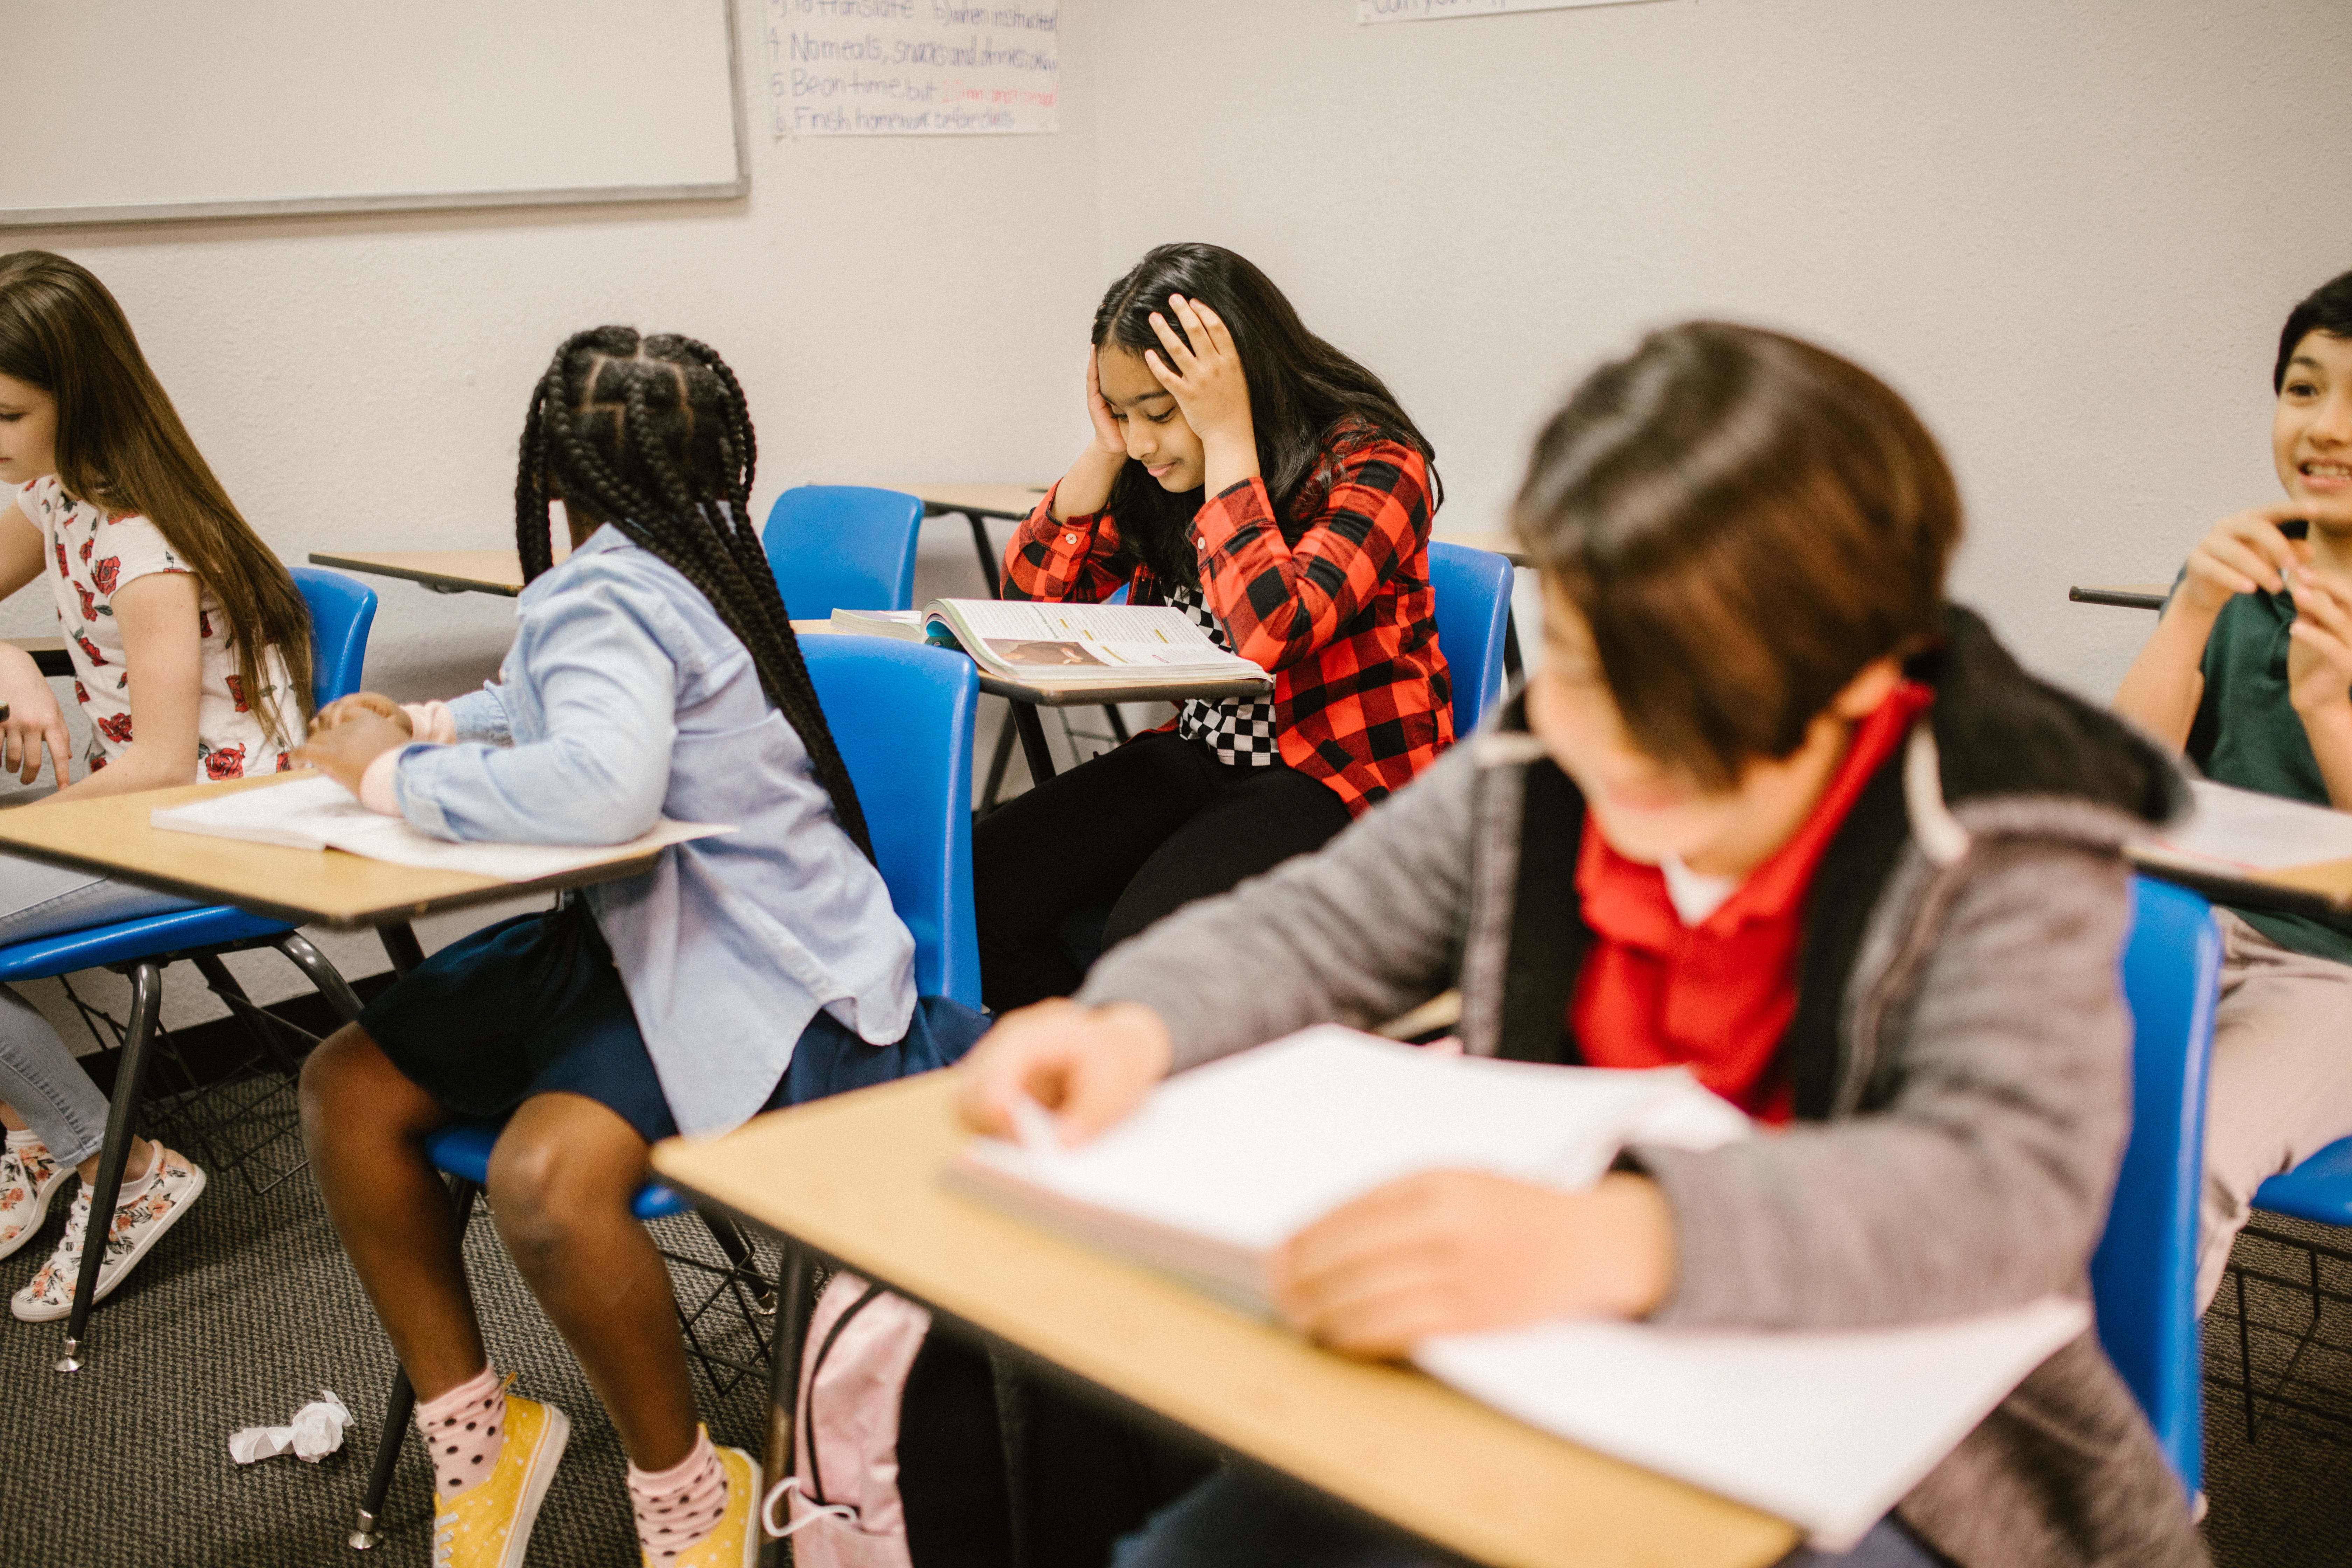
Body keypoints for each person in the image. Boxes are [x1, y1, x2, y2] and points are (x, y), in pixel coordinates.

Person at [958, 322, 2206, 1568]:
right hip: (1545, 1357)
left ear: (1865, 675)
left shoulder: (2003, 826)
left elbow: (2004, 1191)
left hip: (1894, 1440)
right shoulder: (1547, 762)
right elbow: (1322, 923)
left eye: (1691, 695)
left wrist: (1623, 1237)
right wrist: (1135, 1021)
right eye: (1588, 666)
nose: (1615, 743)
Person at [296, 328, 989, 1568]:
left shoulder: (608, 584)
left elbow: (607, 787)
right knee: (347, 1085)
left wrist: (392, 773)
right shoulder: (676, 563)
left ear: (553, 482)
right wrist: (442, 719)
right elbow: (567, 702)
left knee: (543, 1181)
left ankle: (687, 1488)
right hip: (641, 932)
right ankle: (485, 1433)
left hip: (756, 965)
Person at [974, 242, 1453, 1012]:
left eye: (1160, 414)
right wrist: (1105, 448)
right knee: (978, 885)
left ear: (1235, 384)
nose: (1142, 442)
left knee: (1149, 947)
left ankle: (1139, 1056)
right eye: (1121, 413)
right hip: (1205, 750)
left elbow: (1273, 630)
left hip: (1334, 773)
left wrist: (1230, 439)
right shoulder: (1153, 466)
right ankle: (1090, 1059)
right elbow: (1026, 598)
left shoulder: (1372, 463)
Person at [0, 250, 316, 1322]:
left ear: (75, 401)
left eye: (6, 412)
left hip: (220, 828)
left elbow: (161, 765)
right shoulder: (54, 497)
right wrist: (11, 662)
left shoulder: (146, 548)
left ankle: (119, 1170)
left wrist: (26, 829)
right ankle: (40, 1139)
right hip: (148, 812)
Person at [2112, 268, 2352, 1311]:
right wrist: (2193, 610)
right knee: (1991, 1093)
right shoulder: (2245, 571)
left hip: (2335, 977)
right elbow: (2125, 787)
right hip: (2194, 924)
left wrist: (2330, 713)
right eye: (2304, 389)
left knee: (2183, 1165)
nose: (2326, 428)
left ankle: (2122, 1471)